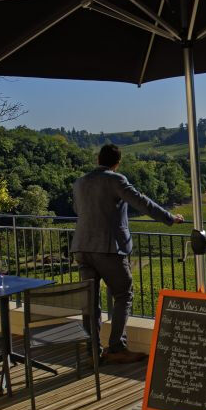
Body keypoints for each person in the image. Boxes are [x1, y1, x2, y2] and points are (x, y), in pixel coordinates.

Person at [71, 143, 184, 363]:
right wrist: (170, 218)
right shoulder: (116, 180)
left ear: (97, 160)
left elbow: (79, 210)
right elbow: (142, 203)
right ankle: (116, 348)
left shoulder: (80, 182)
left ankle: (92, 351)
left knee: (91, 303)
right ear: (117, 163)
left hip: (82, 247)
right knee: (123, 294)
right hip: (108, 248)